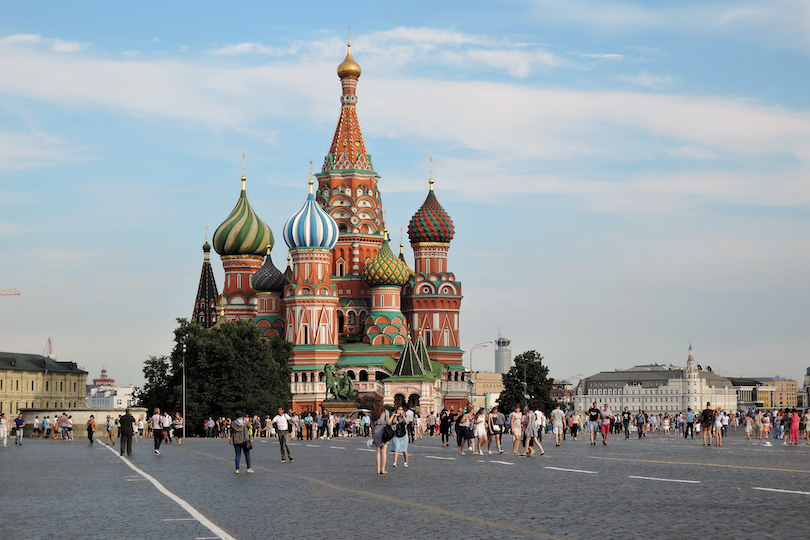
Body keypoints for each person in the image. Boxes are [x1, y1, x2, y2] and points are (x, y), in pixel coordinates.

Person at [370, 399, 392, 474]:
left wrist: (372, 433)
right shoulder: (385, 412)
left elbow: (372, 425)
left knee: (378, 451)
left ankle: (378, 469)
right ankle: (383, 469)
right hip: (383, 430)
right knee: (384, 451)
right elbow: (388, 422)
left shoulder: (373, 413)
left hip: (376, 430)